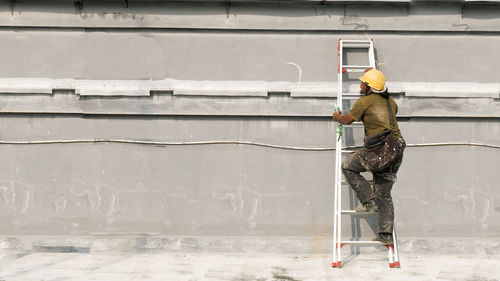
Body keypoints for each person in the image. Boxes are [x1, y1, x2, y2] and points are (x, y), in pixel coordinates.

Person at [332, 69, 405, 245]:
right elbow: (382, 126)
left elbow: (348, 120)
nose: (360, 85)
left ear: (369, 87)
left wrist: (337, 117)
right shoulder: (391, 102)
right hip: (397, 148)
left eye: (362, 83)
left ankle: (368, 201)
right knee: (384, 193)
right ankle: (386, 234)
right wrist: (366, 152)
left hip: (380, 149)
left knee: (348, 167)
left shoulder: (364, 101)